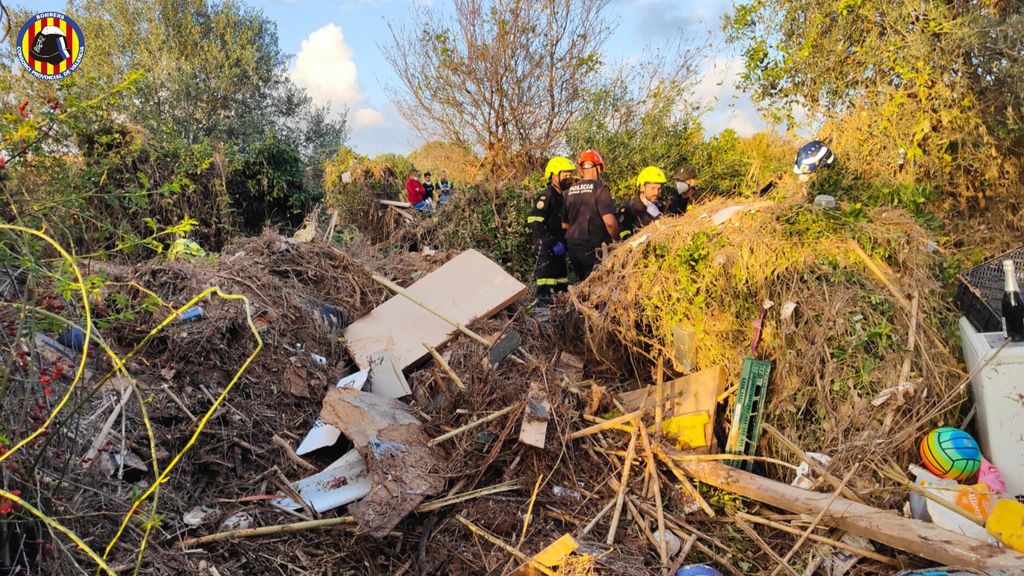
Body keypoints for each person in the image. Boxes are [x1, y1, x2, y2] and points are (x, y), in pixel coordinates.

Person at [561, 149, 618, 281]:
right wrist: (618, 240)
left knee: (582, 285)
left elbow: (564, 225)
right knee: (597, 286)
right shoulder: (600, 189)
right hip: (593, 248)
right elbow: (610, 222)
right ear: (599, 168)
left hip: (573, 247)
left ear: (581, 170)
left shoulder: (568, 192)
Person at [528, 156, 575, 302]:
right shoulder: (546, 196)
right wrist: (551, 243)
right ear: (554, 176)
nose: (569, 178)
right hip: (546, 251)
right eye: (565, 175)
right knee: (547, 291)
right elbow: (534, 222)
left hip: (559, 251)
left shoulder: (563, 197)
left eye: (570, 175)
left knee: (561, 288)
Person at [618, 166, 667, 239]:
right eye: (652, 188)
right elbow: (623, 237)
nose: (656, 193)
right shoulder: (628, 210)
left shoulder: (661, 206)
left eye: (659, 189)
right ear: (642, 187)